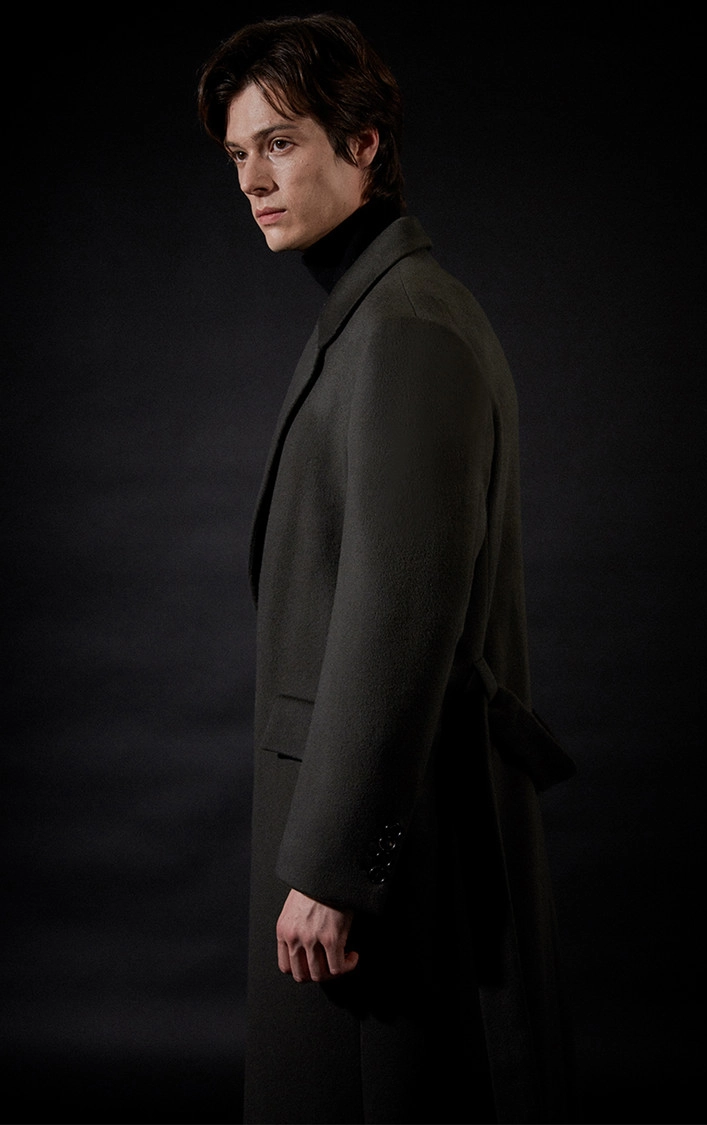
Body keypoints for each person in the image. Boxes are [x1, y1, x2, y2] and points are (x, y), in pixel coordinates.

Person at [198, 14, 575, 1124]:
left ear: (363, 144)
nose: (253, 180)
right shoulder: (371, 317)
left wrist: (331, 867)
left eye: (280, 143)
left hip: (390, 851)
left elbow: (398, 620)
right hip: (374, 831)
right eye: (239, 154)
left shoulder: (408, 330)